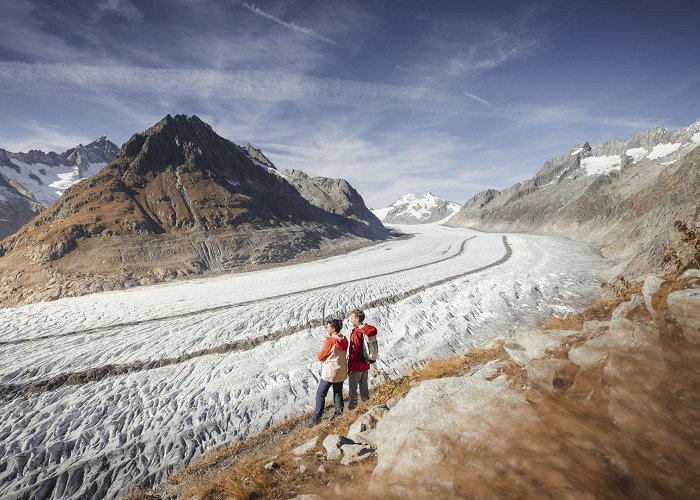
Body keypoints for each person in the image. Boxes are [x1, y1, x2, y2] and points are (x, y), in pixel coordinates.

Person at [310, 317, 349, 425]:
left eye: (328, 327)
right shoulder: (344, 339)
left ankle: (316, 418)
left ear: (332, 328)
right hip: (341, 370)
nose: (327, 329)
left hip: (330, 372)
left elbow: (321, 356)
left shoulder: (330, 341)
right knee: (338, 392)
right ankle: (339, 413)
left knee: (320, 394)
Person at [347, 308, 378, 410]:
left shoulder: (357, 332)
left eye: (352, 318)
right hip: (365, 364)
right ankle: (367, 406)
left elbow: (354, 350)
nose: (351, 320)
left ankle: (352, 409)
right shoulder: (366, 329)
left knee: (353, 389)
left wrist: (350, 367)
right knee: (364, 387)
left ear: (357, 318)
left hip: (356, 366)